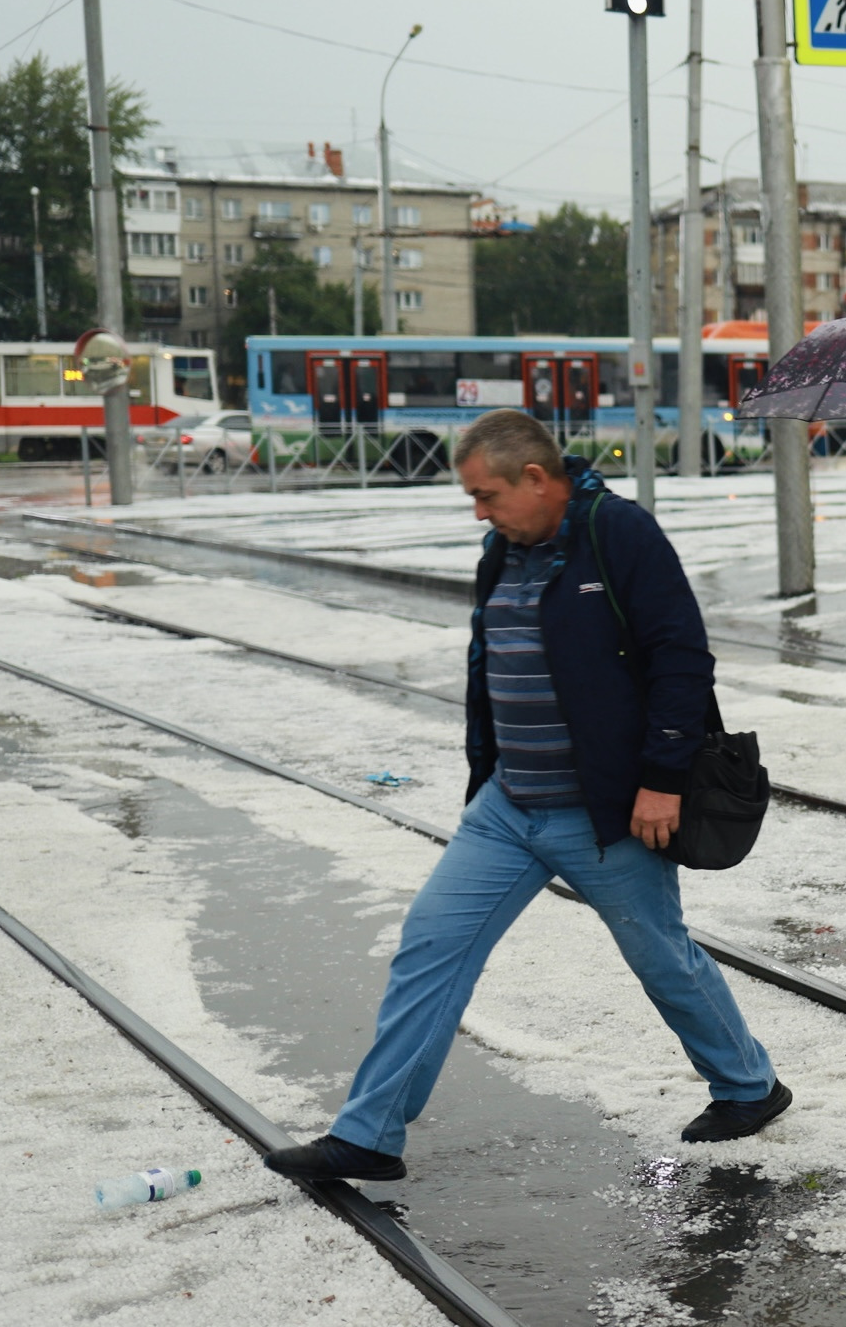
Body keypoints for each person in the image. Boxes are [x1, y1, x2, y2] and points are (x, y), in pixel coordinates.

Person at [263, 411, 789, 1184]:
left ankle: (748, 1086)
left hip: (604, 813)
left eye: (487, 495)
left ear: (536, 480)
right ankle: (369, 1133)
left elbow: (682, 657)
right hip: (508, 808)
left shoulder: (620, 534)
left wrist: (661, 779)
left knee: (661, 956)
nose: (479, 511)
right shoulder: (501, 551)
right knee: (429, 948)